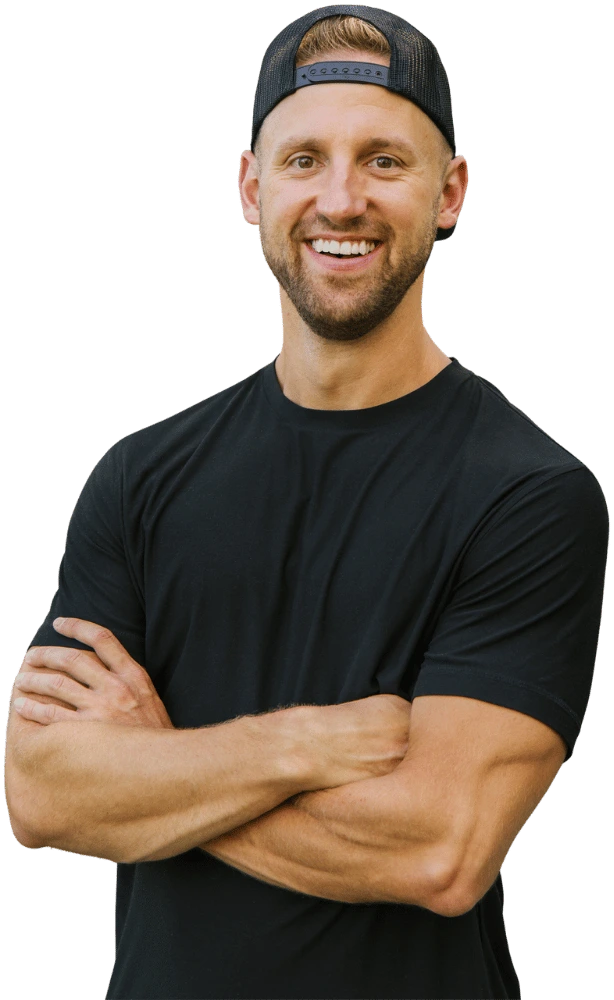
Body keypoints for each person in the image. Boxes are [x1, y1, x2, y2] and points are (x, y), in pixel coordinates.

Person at [4, 7, 608, 1000]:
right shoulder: (138, 475)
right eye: (302, 161)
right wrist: (303, 744)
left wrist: (152, 771)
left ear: (448, 192)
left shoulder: (528, 494)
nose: (339, 199)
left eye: (382, 160)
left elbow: (437, 850)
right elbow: (41, 793)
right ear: (249, 186)